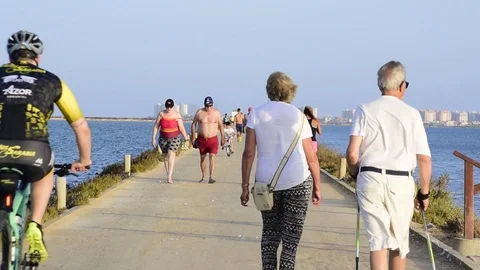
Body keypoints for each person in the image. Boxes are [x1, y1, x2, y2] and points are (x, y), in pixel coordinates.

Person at [0, 30, 92, 263]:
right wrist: (84, 160)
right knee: (45, 171)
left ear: (11, 56)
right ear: (37, 57)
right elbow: (80, 126)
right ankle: (35, 224)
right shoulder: (52, 80)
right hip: (34, 153)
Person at [346, 61, 431, 270]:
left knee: (378, 243)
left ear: (380, 85)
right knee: (399, 243)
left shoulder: (364, 109)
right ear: (401, 85)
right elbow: (424, 159)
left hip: (370, 178)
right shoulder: (412, 114)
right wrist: (424, 193)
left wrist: (355, 172)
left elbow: (351, 152)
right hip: (400, 181)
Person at [240, 71, 321, 270]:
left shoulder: (256, 114)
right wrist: (317, 186)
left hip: (266, 183)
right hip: (298, 181)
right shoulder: (299, 116)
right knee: (290, 241)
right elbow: (311, 156)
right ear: (289, 91)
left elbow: (248, 153)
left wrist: (244, 186)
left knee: (270, 233)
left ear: (269, 90)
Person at [151, 98, 188, 183]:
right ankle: (168, 174)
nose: (169, 109)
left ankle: (169, 177)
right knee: (165, 157)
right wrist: (153, 138)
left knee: (171, 154)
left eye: (170, 107)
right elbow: (156, 126)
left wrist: (186, 137)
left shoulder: (177, 115)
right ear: (165, 106)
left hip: (175, 137)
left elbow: (181, 127)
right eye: (167, 107)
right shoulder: (161, 114)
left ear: (173, 106)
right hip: (163, 137)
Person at [190, 96, 225, 184]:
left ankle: (211, 177)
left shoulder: (216, 113)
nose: (208, 107)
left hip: (213, 139)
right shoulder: (200, 112)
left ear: (212, 105)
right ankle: (203, 177)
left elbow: (221, 126)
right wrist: (193, 137)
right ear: (204, 105)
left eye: (210, 105)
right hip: (202, 139)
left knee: (212, 157)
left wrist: (223, 137)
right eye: (207, 105)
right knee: (202, 158)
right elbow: (193, 124)